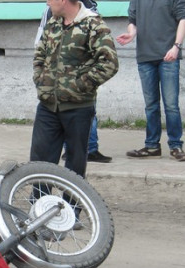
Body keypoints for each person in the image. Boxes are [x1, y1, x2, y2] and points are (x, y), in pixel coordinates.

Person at [30, 0, 118, 178]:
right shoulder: (52, 24)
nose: (47, 2)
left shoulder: (93, 25)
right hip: (47, 107)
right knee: (39, 164)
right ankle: (40, 204)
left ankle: (71, 205)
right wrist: (40, 79)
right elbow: (40, 54)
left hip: (78, 109)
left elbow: (109, 63)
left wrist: (78, 87)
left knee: (74, 167)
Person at [116, 0, 185, 161]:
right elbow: (133, 21)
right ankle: (152, 146)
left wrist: (176, 46)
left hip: (169, 56)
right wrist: (131, 34)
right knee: (151, 106)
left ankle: (176, 146)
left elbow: (183, 20)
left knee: (171, 105)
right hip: (145, 57)